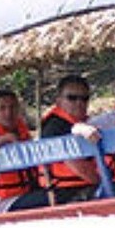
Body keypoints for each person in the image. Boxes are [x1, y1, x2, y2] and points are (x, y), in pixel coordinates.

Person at [0, 89, 49, 212]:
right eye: (2, 108)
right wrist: (2, 140)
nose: (8, 113)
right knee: (55, 197)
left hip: (29, 192)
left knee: (59, 192)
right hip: (7, 202)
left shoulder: (22, 132)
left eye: (12, 107)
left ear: (18, 110)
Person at [39, 75, 100, 204]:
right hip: (64, 190)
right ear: (59, 101)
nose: (79, 103)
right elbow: (80, 168)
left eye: (84, 98)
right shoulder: (54, 127)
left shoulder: (86, 123)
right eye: (72, 98)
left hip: (80, 186)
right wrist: (105, 182)